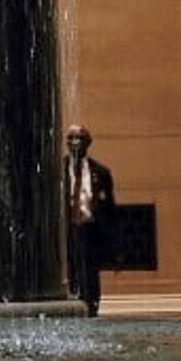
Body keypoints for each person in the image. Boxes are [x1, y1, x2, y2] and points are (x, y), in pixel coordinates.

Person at [64, 124, 117, 316]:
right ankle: (69, 309)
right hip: (66, 230)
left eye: (79, 138)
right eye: (70, 138)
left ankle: (91, 310)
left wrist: (114, 243)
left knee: (90, 274)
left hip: (90, 229)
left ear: (88, 143)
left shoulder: (101, 172)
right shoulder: (58, 170)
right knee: (69, 272)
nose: (74, 143)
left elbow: (110, 208)